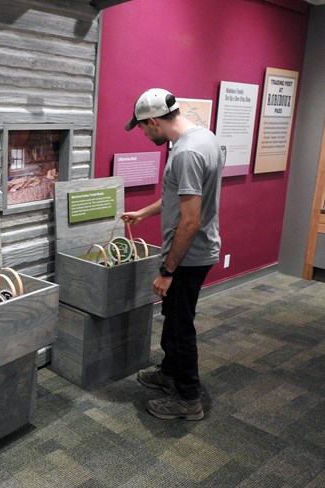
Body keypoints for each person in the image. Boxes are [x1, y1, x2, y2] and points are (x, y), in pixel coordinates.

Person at [121, 88, 222, 421]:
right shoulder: (202, 137)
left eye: (143, 128)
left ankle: (188, 399)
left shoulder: (187, 153)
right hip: (195, 253)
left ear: (153, 122)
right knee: (174, 318)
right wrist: (143, 213)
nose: (144, 135)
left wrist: (167, 270)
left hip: (189, 257)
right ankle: (168, 373)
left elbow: (190, 222)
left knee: (180, 327)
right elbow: (180, 197)